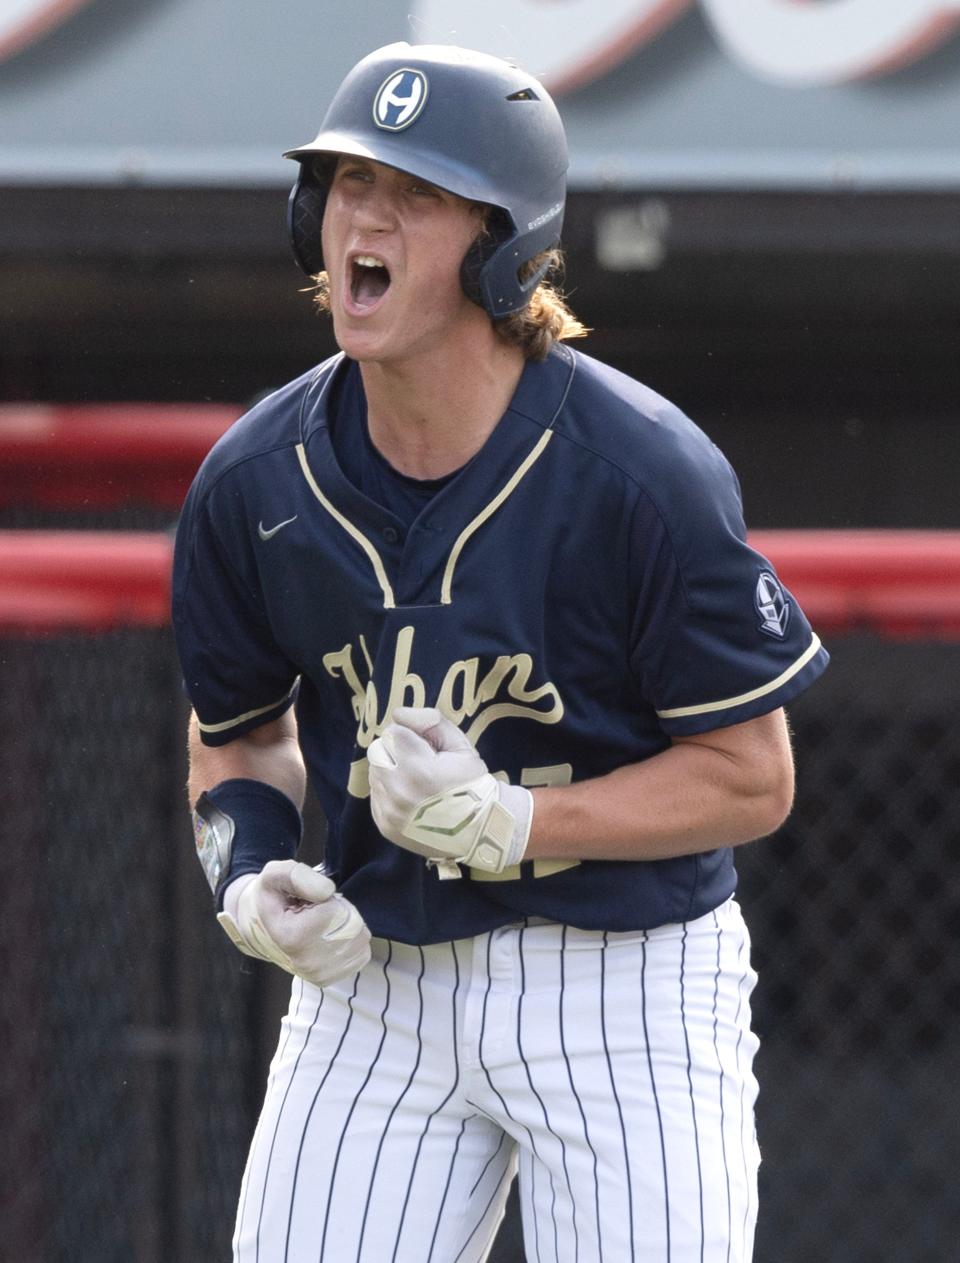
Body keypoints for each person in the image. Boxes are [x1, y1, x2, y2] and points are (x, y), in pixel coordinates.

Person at [173, 41, 829, 1263]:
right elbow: (236, 740)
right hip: (376, 976)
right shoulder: (254, 480)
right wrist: (250, 876)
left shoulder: (644, 472)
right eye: (347, 183)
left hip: (623, 978)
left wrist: (514, 825)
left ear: (502, 246)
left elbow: (753, 775)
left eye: (416, 194)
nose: (364, 215)